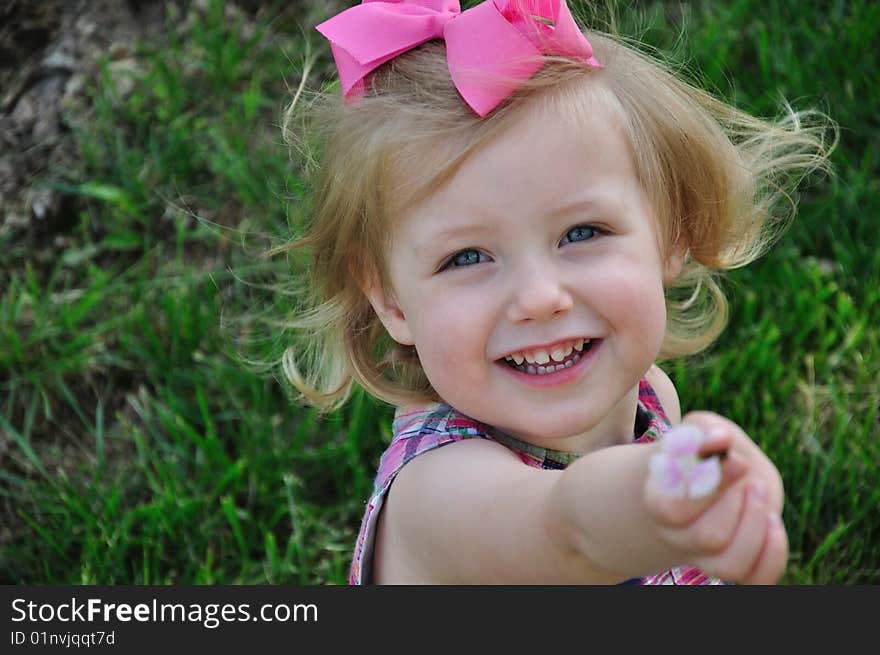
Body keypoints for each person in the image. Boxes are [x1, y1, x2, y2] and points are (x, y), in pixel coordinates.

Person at [278, 0, 832, 584]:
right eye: (467, 257)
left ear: (671, 235)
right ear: (391, 301)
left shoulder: (650, 399)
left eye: (582, 233)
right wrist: (666, 496)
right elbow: (568, 532)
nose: (540, 297)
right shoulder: (438, 497)